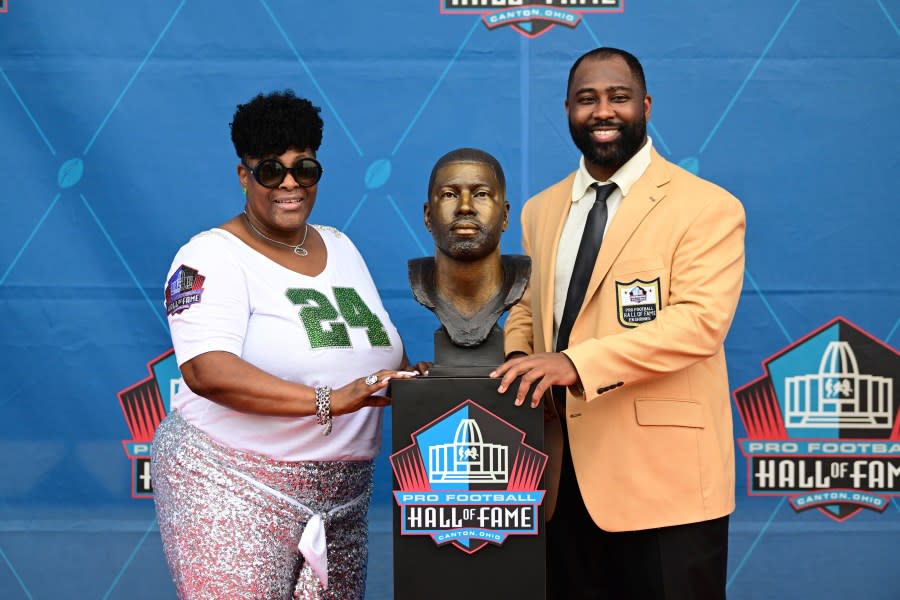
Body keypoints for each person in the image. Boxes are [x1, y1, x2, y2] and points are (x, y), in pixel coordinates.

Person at [492, 48, 746, 599]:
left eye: (618, 97)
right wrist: (518, 356)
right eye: (587, 99)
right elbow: (530, 307)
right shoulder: (541, 210)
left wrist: (573, 363)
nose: (602, 111)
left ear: (646, 106)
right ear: (567, 110)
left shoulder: (707, 207)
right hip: (562, 480)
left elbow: (699, 324)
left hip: (667, 486)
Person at [151, 89, 424, 600]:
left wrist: (421, 383)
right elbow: (206, 371)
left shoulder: (340, 245)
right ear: (244, 175)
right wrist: (329, 400)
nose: (290, 184)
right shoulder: (210, 255)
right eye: (271, 171)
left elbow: (376, 355)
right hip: (232, 485)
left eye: (306, 168)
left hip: (341, 497)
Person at [408, 148, 530, 351]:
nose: (465, 207)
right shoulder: (420, 282)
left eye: (481, 194)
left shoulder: (521, 279)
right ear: (428, 216)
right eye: (449, 194)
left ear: (505, 216)